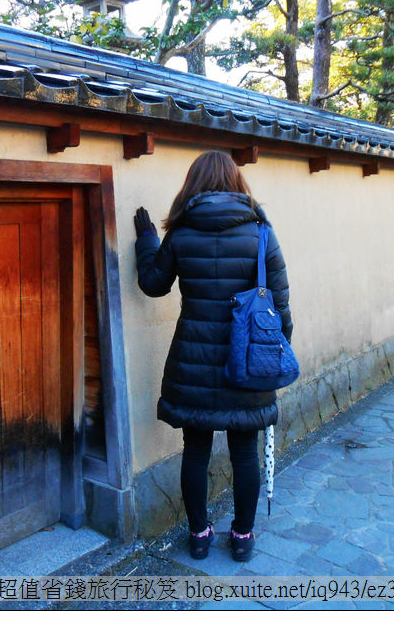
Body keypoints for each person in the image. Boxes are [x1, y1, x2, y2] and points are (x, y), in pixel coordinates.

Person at [133, 150, 293, 562]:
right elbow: (281, 308)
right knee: (244, 453)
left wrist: (148, 241)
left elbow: (153, 286)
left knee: (196, 450)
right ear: (236, 183)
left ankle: (200, 536)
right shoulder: (261, 233)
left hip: (193, 361)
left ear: (194, 184)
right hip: (248, 362)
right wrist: (269, 358)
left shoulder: (182, 232)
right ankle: (242, 538)